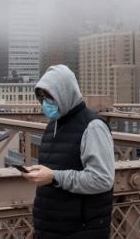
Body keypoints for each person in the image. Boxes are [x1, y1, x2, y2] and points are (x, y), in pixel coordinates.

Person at [21, 64, 115, 239]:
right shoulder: (53, 125)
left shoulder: (93, 126)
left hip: (80, 231)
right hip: (50, 229)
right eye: (41, 98)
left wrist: (55, 177)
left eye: (49, 97)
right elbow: (57, 168)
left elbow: (102, 179)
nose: (45, 103)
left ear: (65, 93)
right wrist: (42, 174)